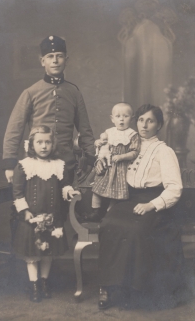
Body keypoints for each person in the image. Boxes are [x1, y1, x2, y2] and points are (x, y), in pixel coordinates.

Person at [96, 104, 184, 310]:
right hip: (126, 199)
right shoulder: (126, 144)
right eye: (141, 120)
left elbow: (175, 188)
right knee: (109, 224)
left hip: (152, 202)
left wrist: (151, 205)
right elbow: (108, 160)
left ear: (159, 125)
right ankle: (108, 288)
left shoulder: (164, 151)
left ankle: (135, 290)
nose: (144, 125)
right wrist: (100, 162)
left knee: (136, 230)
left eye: (150, 121)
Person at [3, 35, 95, 184]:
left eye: (59, 56)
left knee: (65, 206)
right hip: (37, 165)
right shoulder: (31, 92)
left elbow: (85, 130)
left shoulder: (74, 92)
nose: (55, 60)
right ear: (42, 61)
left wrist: (91, 159)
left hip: (67, 166)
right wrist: (9, 164)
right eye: (50, 56)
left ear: (66, 60)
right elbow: (14, 130)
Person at [12, 125, 80, 302]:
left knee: (48, 251)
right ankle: (34, 285)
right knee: (32, 254)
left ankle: (44, 282)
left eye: (47, 142)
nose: (44, 146)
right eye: (39, 142)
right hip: (31, 219)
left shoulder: (59, 165)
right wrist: (24, 211)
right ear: (32, 144)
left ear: (53, 144)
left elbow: (64, 185)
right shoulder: (24, 166)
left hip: (52, 218)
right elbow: (18, 192)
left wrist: (69, 191)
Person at [89, 103, 140, 222]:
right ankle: (95, 212)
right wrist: (97, 143)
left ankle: (110, 214)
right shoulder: (109, 132)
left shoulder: (132, 135)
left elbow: (135, 152)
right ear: (112, 119)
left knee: (115, 194)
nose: (121, 119)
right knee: (96, 189)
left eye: (125, 116)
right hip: (107, 166)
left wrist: (122, 156)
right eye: (118, 116)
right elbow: (102, 144)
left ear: (132, 118)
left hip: (121, 168)